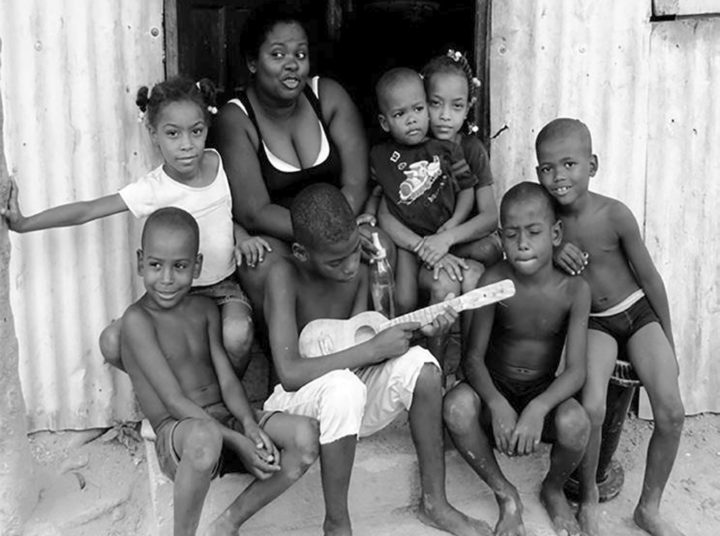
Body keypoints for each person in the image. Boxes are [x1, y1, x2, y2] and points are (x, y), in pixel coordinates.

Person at [262, 183, 488, 536]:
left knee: (423, 367)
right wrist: (372, 350)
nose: (351, 266)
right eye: (336, 261)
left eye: (355, 250)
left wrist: (423, 331)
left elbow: (370, 337)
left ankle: (436, 503)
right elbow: (290, 373)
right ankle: (337, 523)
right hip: (301, 404)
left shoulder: (364, 263)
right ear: (301, 253)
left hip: (353, 393)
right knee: (342, 387)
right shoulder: (283, 275)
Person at [0, 76, 258, 377]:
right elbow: (87, 210)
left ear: (206, 129)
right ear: (153, 133)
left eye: (196, 131)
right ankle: (165, 396)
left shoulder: (216, 162)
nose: (187, 145)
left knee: (237, 334)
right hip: (171, 292)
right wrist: (25, 223)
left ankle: (226, 396)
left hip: (223, 288)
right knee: (113, 342)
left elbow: (222, 215)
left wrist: (242, 237)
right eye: (172, 134)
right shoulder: (153, 189)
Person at [117, 207, 318, 536]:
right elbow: (173, 400)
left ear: (196, 266)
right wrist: (238, 442)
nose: (166, 279)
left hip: (226, 420)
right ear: (141, 262)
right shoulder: (137, 321)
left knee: (305, 436)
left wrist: (249, 425)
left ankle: (227, 524)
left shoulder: (206, 309)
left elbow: (227, 380)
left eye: (179, 266)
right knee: (204, 436)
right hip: (180, 433)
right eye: (155, 265)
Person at [535, 118, 685, 536]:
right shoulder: (546, 221)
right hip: (595, 323)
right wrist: (552, 249)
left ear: (592, 165)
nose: (558, 176)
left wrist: (669, 342)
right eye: (547, 168)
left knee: (672, 411)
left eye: (569, 164)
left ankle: (649, 508)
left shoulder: (614, 214)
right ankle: (589, 497)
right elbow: (517, 244)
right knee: (593, 408)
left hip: (637, 312)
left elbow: (650, 278)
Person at [213, 1, 386, 318]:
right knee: (259, 264)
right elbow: (255, 212)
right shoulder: (236, 119)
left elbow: (356, 182)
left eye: (300, 54)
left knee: (379, 246)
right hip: (285, 237)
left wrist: (339, 235)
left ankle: (373, 336)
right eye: (277, 55)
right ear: (252, 62)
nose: (292, 64)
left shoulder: (328, 95)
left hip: (342, 226)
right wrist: (319, 240)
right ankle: (301, 345)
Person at [443, 182, 591, 536]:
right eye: (511, 235)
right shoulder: (494, 280)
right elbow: (473, 359)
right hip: (494, 388)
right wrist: (496, 404)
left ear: (555, 234)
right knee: (456, 408)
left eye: (534, 232)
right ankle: (505, 493)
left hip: (541, 391)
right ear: (501, 237)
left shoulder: (574, 290)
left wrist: (539, 408)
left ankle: (553, 489)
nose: (522, 243)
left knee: (576, 422)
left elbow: (576, 371)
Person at [372, 66, 485, 318]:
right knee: (405, 300)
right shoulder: (381, 157)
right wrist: (368, 214)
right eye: (400, 114)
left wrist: (453, 224)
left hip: (443, 232)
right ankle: (403, 338)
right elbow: (379, 196)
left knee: (482, 256)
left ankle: (440, 338)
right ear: (385, 122)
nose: (412, 119)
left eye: (418, 109)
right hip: (408, 239)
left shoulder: (446, 149)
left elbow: (468, 189)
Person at [421, 49, 502, 270]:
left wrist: (448, 238)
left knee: (489, 249)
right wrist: (434, 246)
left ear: (468, 108)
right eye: (435, 103)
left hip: (458, 240)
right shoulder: (411, 149)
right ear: (422, 101)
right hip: (422, 245)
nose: (445, 115)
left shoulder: (472, 149)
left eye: (456, 106)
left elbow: (490, 217)